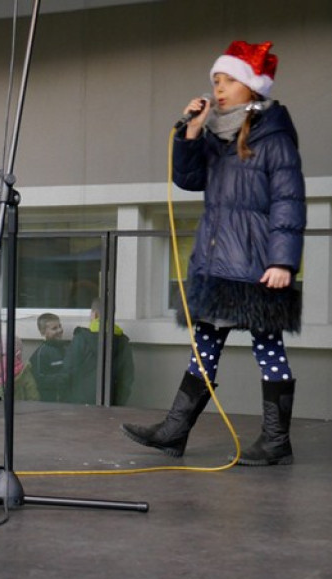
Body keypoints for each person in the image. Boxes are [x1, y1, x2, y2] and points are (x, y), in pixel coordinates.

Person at [122, 40, 304, 466]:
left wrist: (282, 261)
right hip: (216, 259)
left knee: (268, 346)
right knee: (204, 344)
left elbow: (288, 200)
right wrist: (190, 130)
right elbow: (188, 178)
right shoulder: (217, 137)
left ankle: (276, 439)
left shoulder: (274, 137)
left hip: (258, 263)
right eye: (215, 81)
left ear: (251, 86)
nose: (218, 88)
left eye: (227, 80)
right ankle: (175, 430)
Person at [62, 298, 134, 405]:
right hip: (113, 401)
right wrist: (120, 400)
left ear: (94, 315)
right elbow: (128, 376)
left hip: (81, 401)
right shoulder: (123, 341)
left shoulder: (81, 338)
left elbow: (69, 368)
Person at [28, 312, 70, 402]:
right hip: (50, 402)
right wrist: (62, 378)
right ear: (43, 332)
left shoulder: (66, 349)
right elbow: (39, 380)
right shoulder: (41, 353)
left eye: (60, 326)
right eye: (54, 328)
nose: (59, 330)